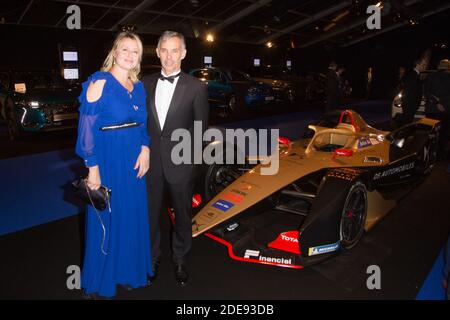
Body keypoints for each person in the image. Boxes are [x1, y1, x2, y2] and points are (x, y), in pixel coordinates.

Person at [75, 32, 153, 298]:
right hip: (108, 157)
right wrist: (92, 167)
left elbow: (143, 123)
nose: (130, 56)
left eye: (136, 52)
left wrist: (146, 148)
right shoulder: (100, 82)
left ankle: (127, 271)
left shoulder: (138, 86)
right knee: (105, 217)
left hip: (134, 158)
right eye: (125, 50)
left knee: (130, 216)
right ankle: (99, 278)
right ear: (115, 52)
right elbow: (86, 129)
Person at [143, 31, 209, 286]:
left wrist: (190, 163)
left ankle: (180, 257)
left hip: (181, 164)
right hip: (149, 162)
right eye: (164, 50)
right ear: (158, 52)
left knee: (182, 215)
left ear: (183, 54)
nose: (169, 56)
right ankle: (152, 257)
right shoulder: (144, 83)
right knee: (150, 215)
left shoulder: (196, 87)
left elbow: (200, 130)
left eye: (174, 51)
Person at [425, 59, 450, 160]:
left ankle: (432, 154)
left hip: (435, 109)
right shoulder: (433, 76)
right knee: (442, 133)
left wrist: (438, 102)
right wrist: (441, 103)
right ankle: (439, 155)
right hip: (443, 109)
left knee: (434, 133)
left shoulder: (431, 76)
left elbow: (426, 92)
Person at [400, 58, 428, 125]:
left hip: (410, 104)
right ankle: (403, 135)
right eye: (423, 64)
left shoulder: (415, 75)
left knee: (407, 122)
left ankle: (405, 134)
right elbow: (409, 91)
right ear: (417, 65)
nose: (425, 66)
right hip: (410, 104)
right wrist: (411, 105)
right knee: (406, 123)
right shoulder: (413, 75)